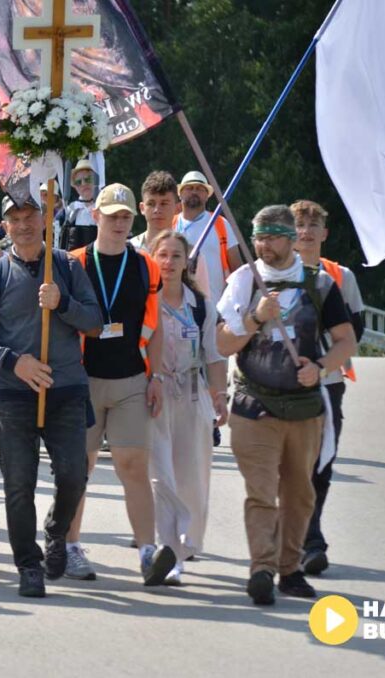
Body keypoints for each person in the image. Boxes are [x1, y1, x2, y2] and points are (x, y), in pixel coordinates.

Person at [0, 196, 103, 598]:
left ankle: (57, 531)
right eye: (15, 219)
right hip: (15, 395)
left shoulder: (68, 266)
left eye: (30, 216)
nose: (23, 224)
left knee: (74, 474)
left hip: (66, 389)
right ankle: (28, 564)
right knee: (19, 484)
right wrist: (12, 362)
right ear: (5, 226)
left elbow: (94, 323)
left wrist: (63, 303)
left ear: (45, 219)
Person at [216, 204, 356, 605]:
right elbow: (222, 343)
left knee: (299, 495)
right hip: (253, 406)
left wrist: (321, 367)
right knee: (261, 492)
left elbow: (346, 340)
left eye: (272, 237)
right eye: (258, 237)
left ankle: (290, 569)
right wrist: (255, 318)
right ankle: (261, 568)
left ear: (291, 239)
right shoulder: (244, 282)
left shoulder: (320, 284)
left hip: (304, 409)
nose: (263, 245)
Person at [63, 183, 175, 586]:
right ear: (96, 217)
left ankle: (147, 552)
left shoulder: (146, 265)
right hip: (83, 380)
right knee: (80, 468)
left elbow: (154, 326)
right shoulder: (73, 263)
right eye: (112, 216)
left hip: (131, 378)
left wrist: (155, 376)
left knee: (133, 466)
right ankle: (70, 547)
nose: (119, 223)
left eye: (126, 216)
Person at [148, 230, 228, 585]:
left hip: (193, 398)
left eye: (176, 256)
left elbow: (214, 355)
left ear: (186, 263)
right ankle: (166, 550)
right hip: (154, 397)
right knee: (160, 476)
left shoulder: (201, 307)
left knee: (191, 477)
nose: (168, 262)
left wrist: (220, 395)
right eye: (162, 255)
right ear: (153, 259)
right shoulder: (144, 302)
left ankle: (183, 545)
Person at [290, 199, 365, 577]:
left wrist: (325, 355)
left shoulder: (340, 276)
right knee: (292, 463)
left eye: (313, 225)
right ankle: (302, 538)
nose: (305, 232)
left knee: (322, 461)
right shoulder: (276, 272)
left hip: (328, 382)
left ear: (325, 233)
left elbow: (356, 329)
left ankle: (311, 537)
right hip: (283, 383)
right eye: (299, 225)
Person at [173, 171, 242, 303]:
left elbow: (237, 269)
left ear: (207, 195)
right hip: (180, 308)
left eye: (200, 188)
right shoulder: (170, 225)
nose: (194, 191)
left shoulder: (221, 223)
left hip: (216, 307)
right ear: (180, 194)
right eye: (189, 188)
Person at [59, 158, 99, 251]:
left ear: (96, 180)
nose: (83, 184)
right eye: (78, 182)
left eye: (88, 179)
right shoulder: (71, 210)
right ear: (75, 187)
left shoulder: (106, 206)